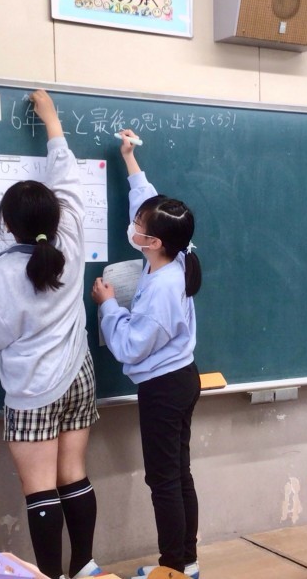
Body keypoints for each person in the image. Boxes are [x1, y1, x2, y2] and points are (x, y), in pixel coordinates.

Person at [0, 90, 103, 579]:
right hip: (80, 374)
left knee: (41, 488)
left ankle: (49, 576)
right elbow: (67, 177)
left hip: (33, 388)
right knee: (74, 476)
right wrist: (52, 121)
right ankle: (84, 566)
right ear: (56, 216)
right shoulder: (72, 238)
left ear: (6, 225)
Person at [91, 130, 202, 579]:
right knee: (178, 474)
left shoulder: (162, 289)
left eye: (139, 226)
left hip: (164, 387)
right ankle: (187, 563)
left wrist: (108, 306)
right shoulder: (177, 251)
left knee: (164, 480)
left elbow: (131, 345)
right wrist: (130, 159)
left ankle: (173, 568)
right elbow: (150, 202)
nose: (133, 228)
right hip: (181, 378)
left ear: (153, 241)